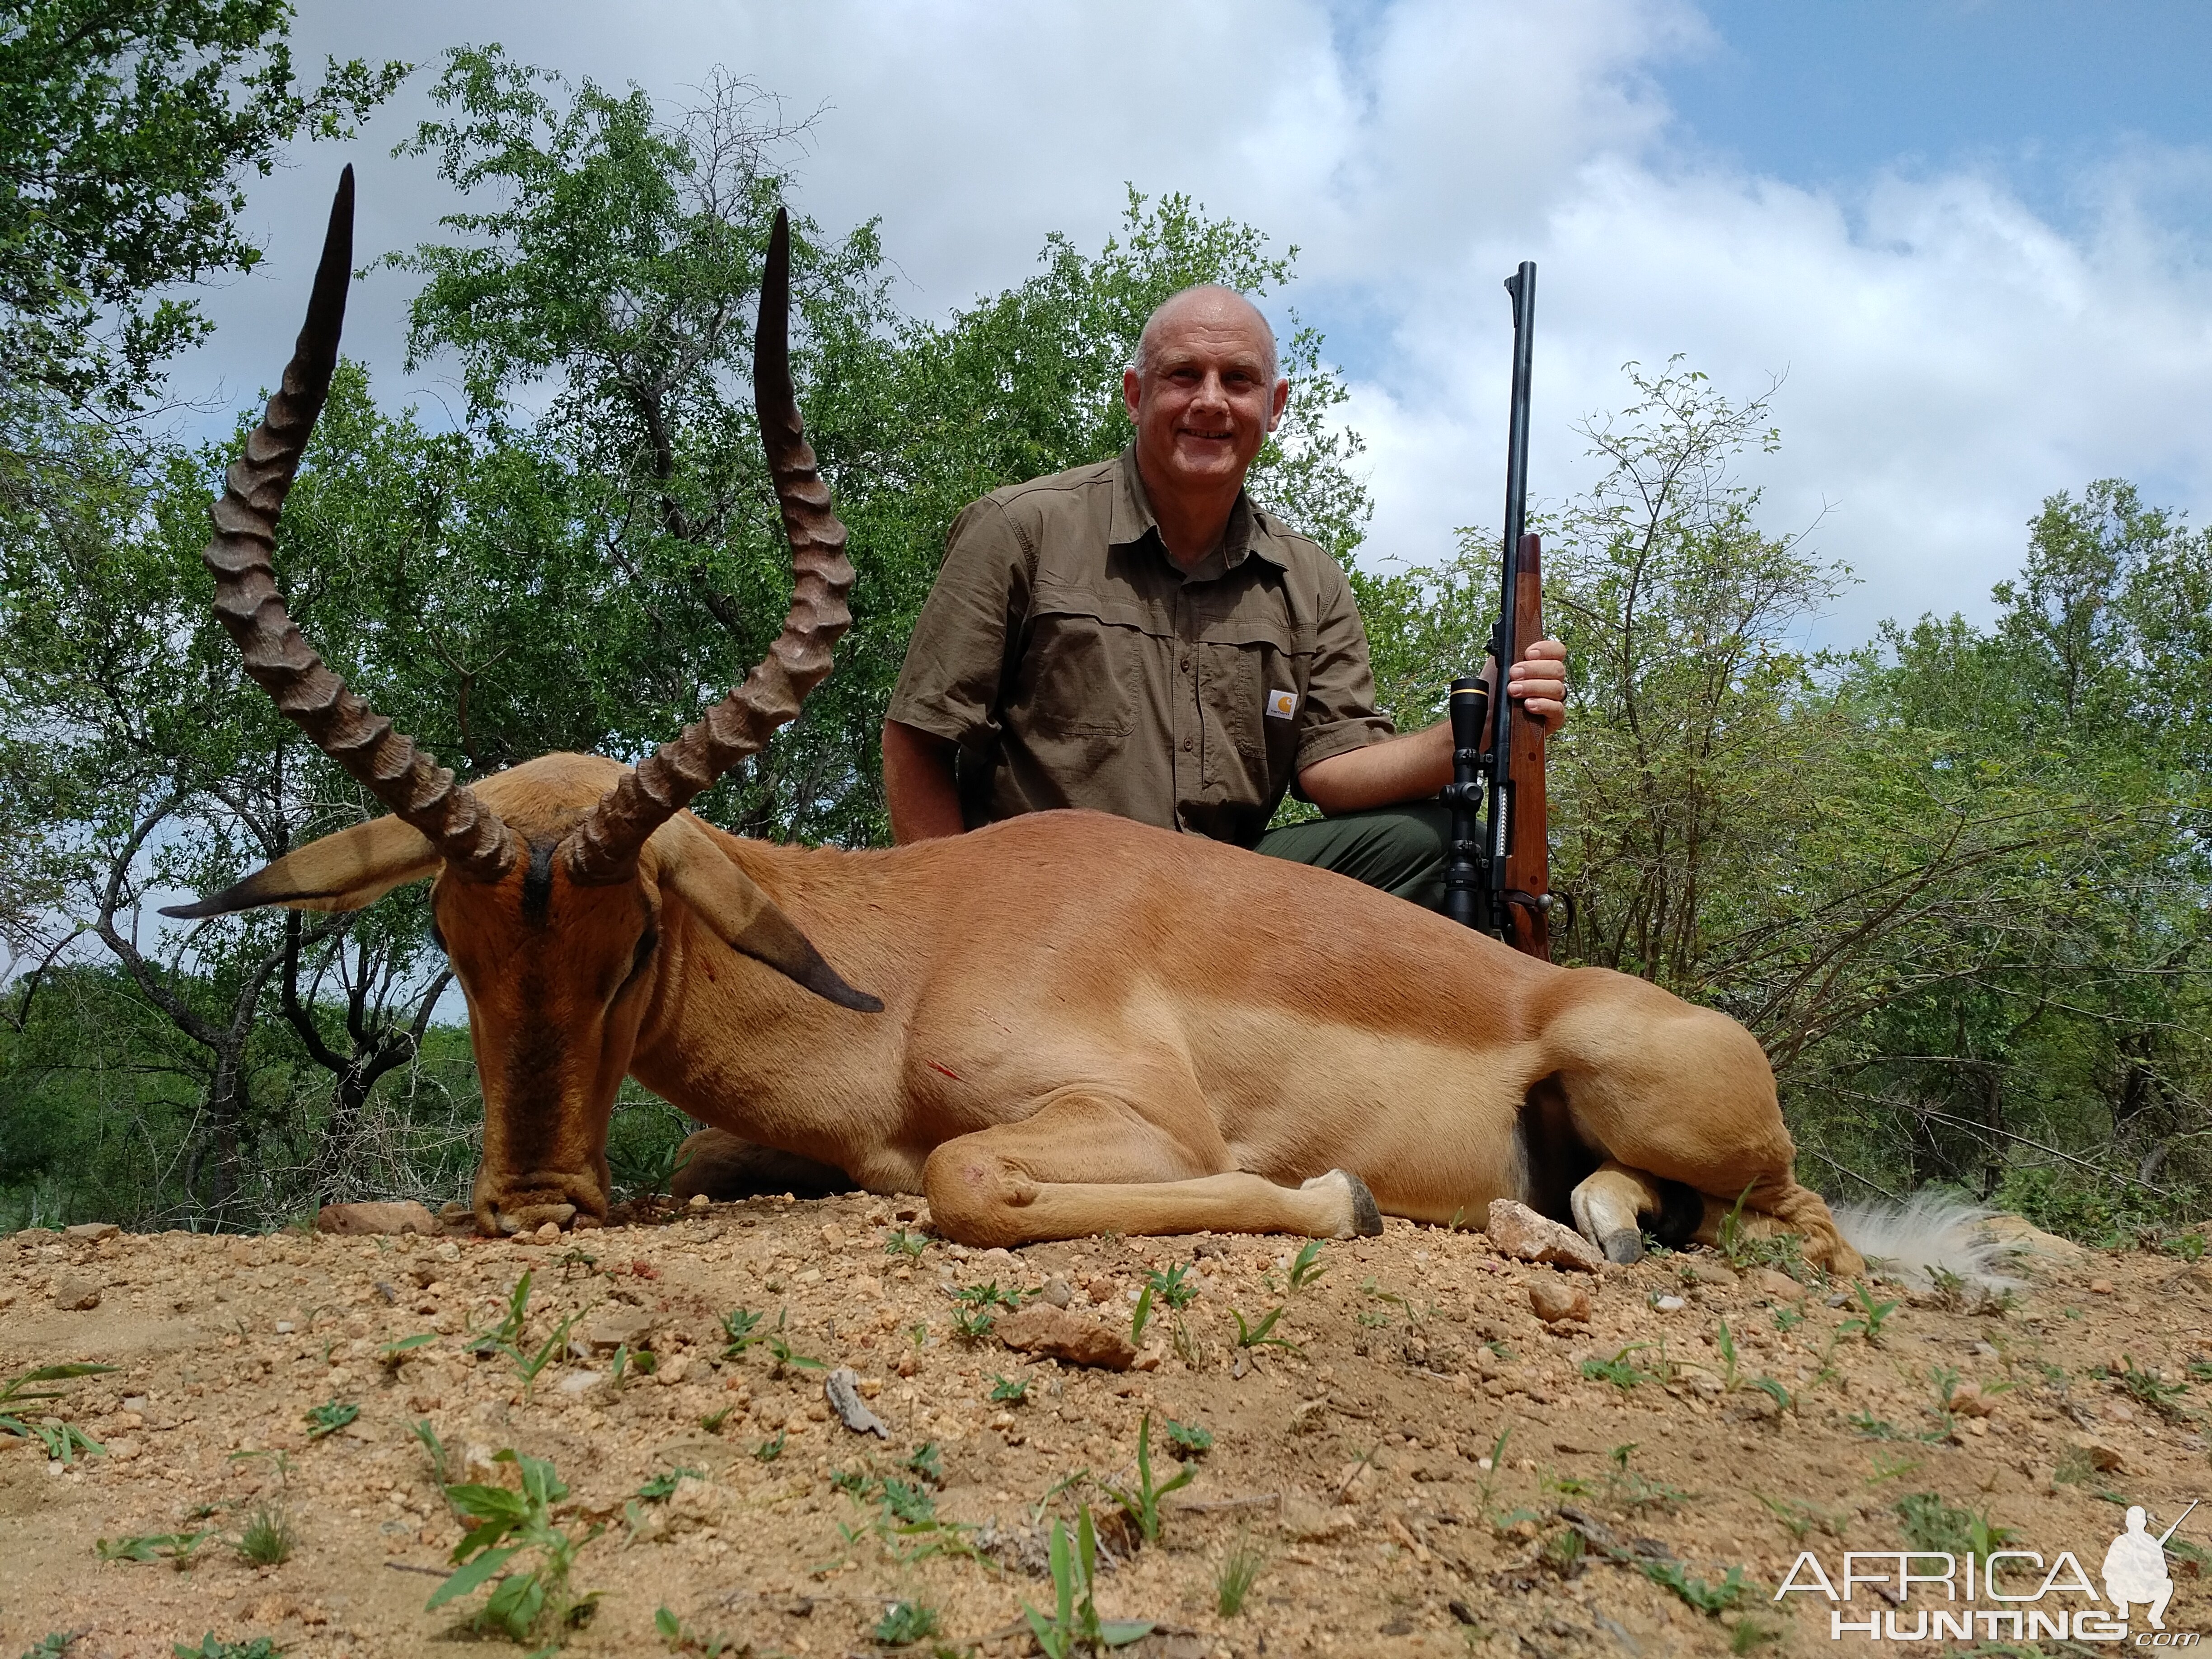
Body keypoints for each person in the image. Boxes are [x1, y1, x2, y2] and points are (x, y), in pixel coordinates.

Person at [882, 283, 1567, 910]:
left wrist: (1479, 729)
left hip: (1217, 906)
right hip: (1051, 903)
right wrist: (947, 919)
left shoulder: (1310, 579)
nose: (1210, 401)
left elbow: (1334, 768)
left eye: (1239, 380)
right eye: (1184, 374)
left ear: (1274, 408)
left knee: (1448, 843)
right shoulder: (1021, 529)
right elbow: (917, 737)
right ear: (1134, 394)